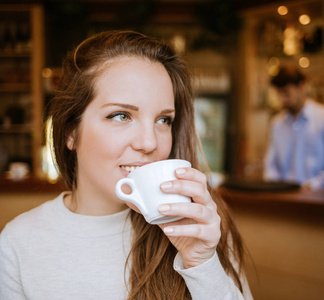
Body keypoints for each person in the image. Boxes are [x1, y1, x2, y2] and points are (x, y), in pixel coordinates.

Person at [0, 30, 253, 300]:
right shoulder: (18, 243)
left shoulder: (201, 223)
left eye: (163, 120)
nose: (149, 142)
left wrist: (203, 264)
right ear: (70, 133)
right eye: (121, 115)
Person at [264, 65, 324, 190]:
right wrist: (274, 187)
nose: (282, 99)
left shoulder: (321, 119)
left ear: (302, 86)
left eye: (286, 92)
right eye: (279, 93)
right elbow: (271, 164)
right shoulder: (277, 123)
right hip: (284, 199)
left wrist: (312, 186)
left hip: (317, 199)